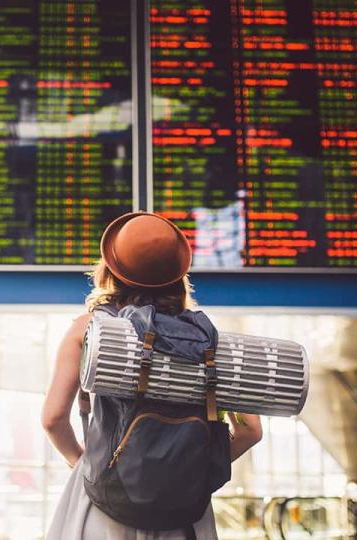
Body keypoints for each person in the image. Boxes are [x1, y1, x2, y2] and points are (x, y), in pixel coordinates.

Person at [42, 212, 263, 538]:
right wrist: (188, 470)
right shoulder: (211, 344)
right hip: (184, 515)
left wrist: (83, 462)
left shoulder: (89, 330)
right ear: (178, 275)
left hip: (105, 503)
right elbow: (250, 432)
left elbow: (53, 419)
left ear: (111, 270)